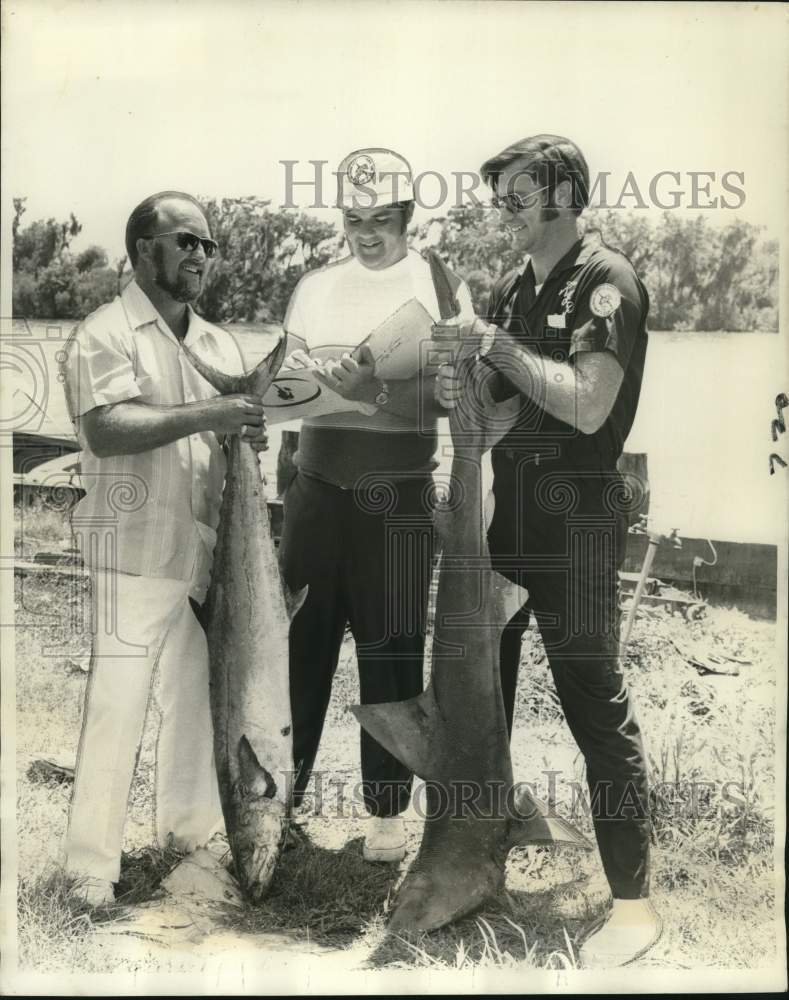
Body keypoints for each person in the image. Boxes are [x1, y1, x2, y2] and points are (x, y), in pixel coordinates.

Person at [433, 135, 659, 968]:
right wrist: (451, 366)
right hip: (510, 514)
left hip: (578, 519)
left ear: (561, 194)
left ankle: (632, 907)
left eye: (515, 195)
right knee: (478, 698)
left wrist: (491, 345)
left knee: (590, 699)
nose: (503, 210)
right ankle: (471, 866)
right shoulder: (509, 285)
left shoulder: (607, 281)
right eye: (498, 196)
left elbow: (587, 405)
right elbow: (494, 402)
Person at [60, 191, 267, 905]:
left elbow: (218, 443)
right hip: (129, 554)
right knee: (116, 706)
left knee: (192, 706)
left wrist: (243, 435)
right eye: (187, 242)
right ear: (143, 250)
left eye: (209, 245)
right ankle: (91, 868)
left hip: (202, 554)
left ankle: (190, 847)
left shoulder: (219, 344)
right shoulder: (105, 331)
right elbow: (107, 427)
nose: (202, 256)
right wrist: (214, 412)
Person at [279, 148, 474, 862]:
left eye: (381, 221)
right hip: (316, 493)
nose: (366, 234)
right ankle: (278, 799)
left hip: (397, 500)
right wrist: (311, 386)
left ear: (406, 217)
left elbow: (459, 395)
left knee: (391, 652)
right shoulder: (315, 287)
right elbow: (283, 388)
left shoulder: (439, 282)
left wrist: (380, 392)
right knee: (299, 647)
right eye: (353, 219)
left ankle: (386, 817)